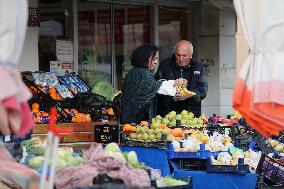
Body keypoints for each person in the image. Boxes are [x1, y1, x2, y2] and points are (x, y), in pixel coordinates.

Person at [121, 44, 187, 124]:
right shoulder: (142, 73)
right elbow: (155, 86)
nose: (156, 62)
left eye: (157, 59)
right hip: (133, 120)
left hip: (129, 117)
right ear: (145, 58)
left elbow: (152, 86)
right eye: (154, 59)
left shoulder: (134, 72)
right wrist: (175, 82)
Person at [155, 40, 208, 117]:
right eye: (178, 55)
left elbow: (203, 90)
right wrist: (171, 93)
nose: (181, 59)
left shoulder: (199, 67)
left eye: (184, 55)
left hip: (191, 114)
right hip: (166, 114)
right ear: (175, 53)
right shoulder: (165, 64)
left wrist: (188, 94)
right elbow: (156, 85)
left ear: (191, 55)